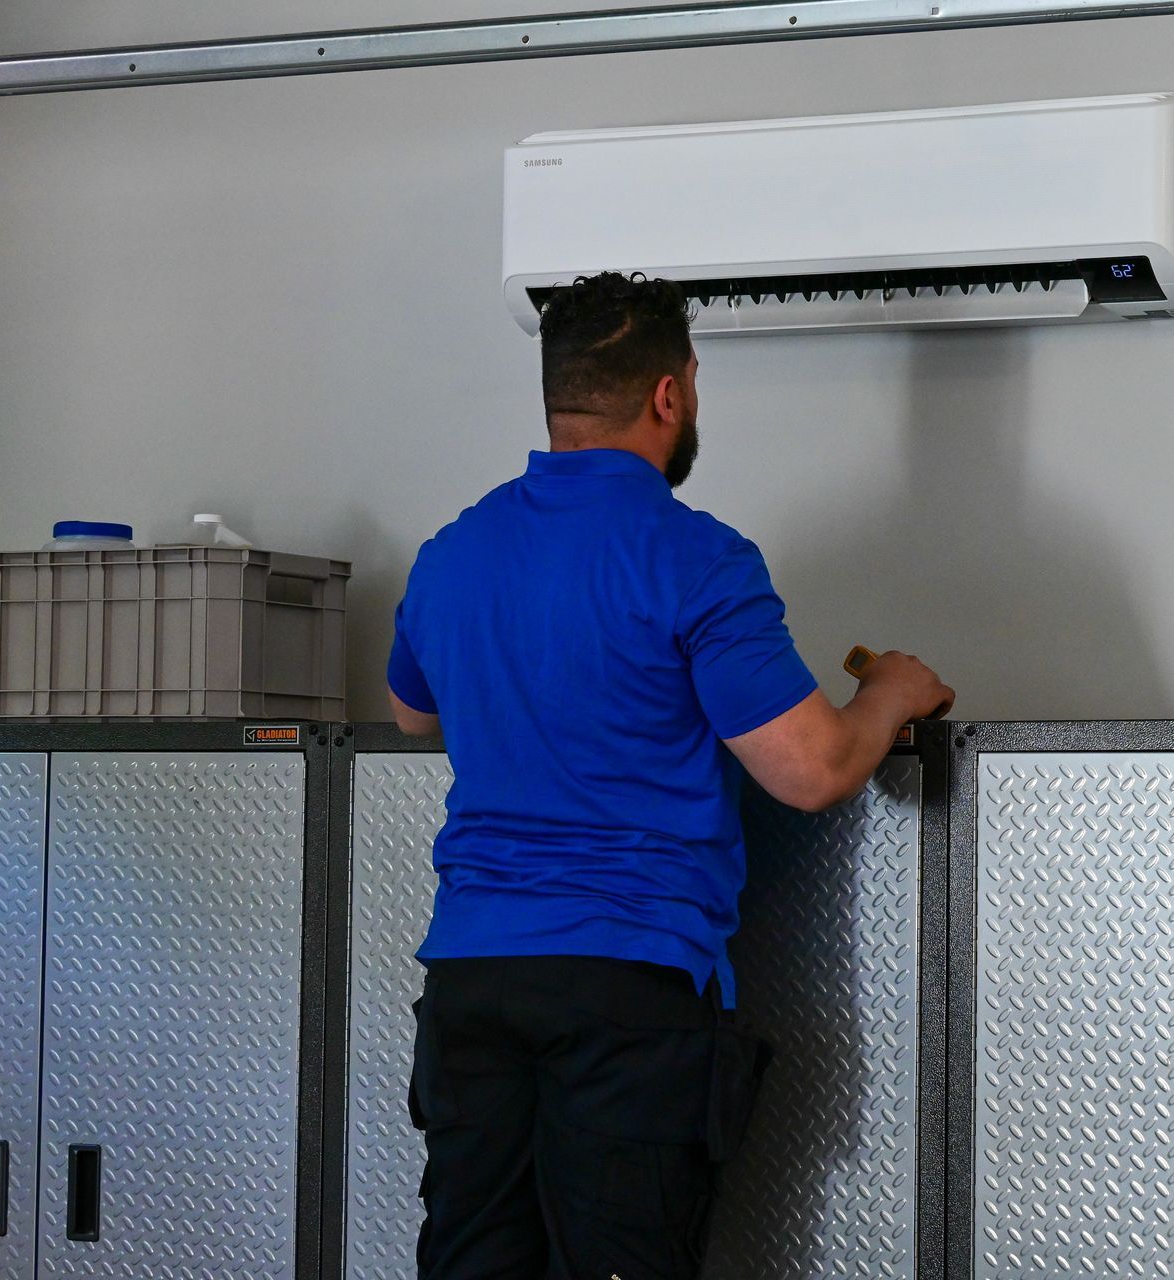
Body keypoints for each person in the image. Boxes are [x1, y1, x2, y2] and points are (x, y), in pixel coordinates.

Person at [385, 270, 954, 1280]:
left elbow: (411, 711)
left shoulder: (452, 553)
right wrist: (890, 693)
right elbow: (813, 771)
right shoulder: (696, 560)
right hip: (627, 989)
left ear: (559, 394)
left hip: (472, 982)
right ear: (668, 393)